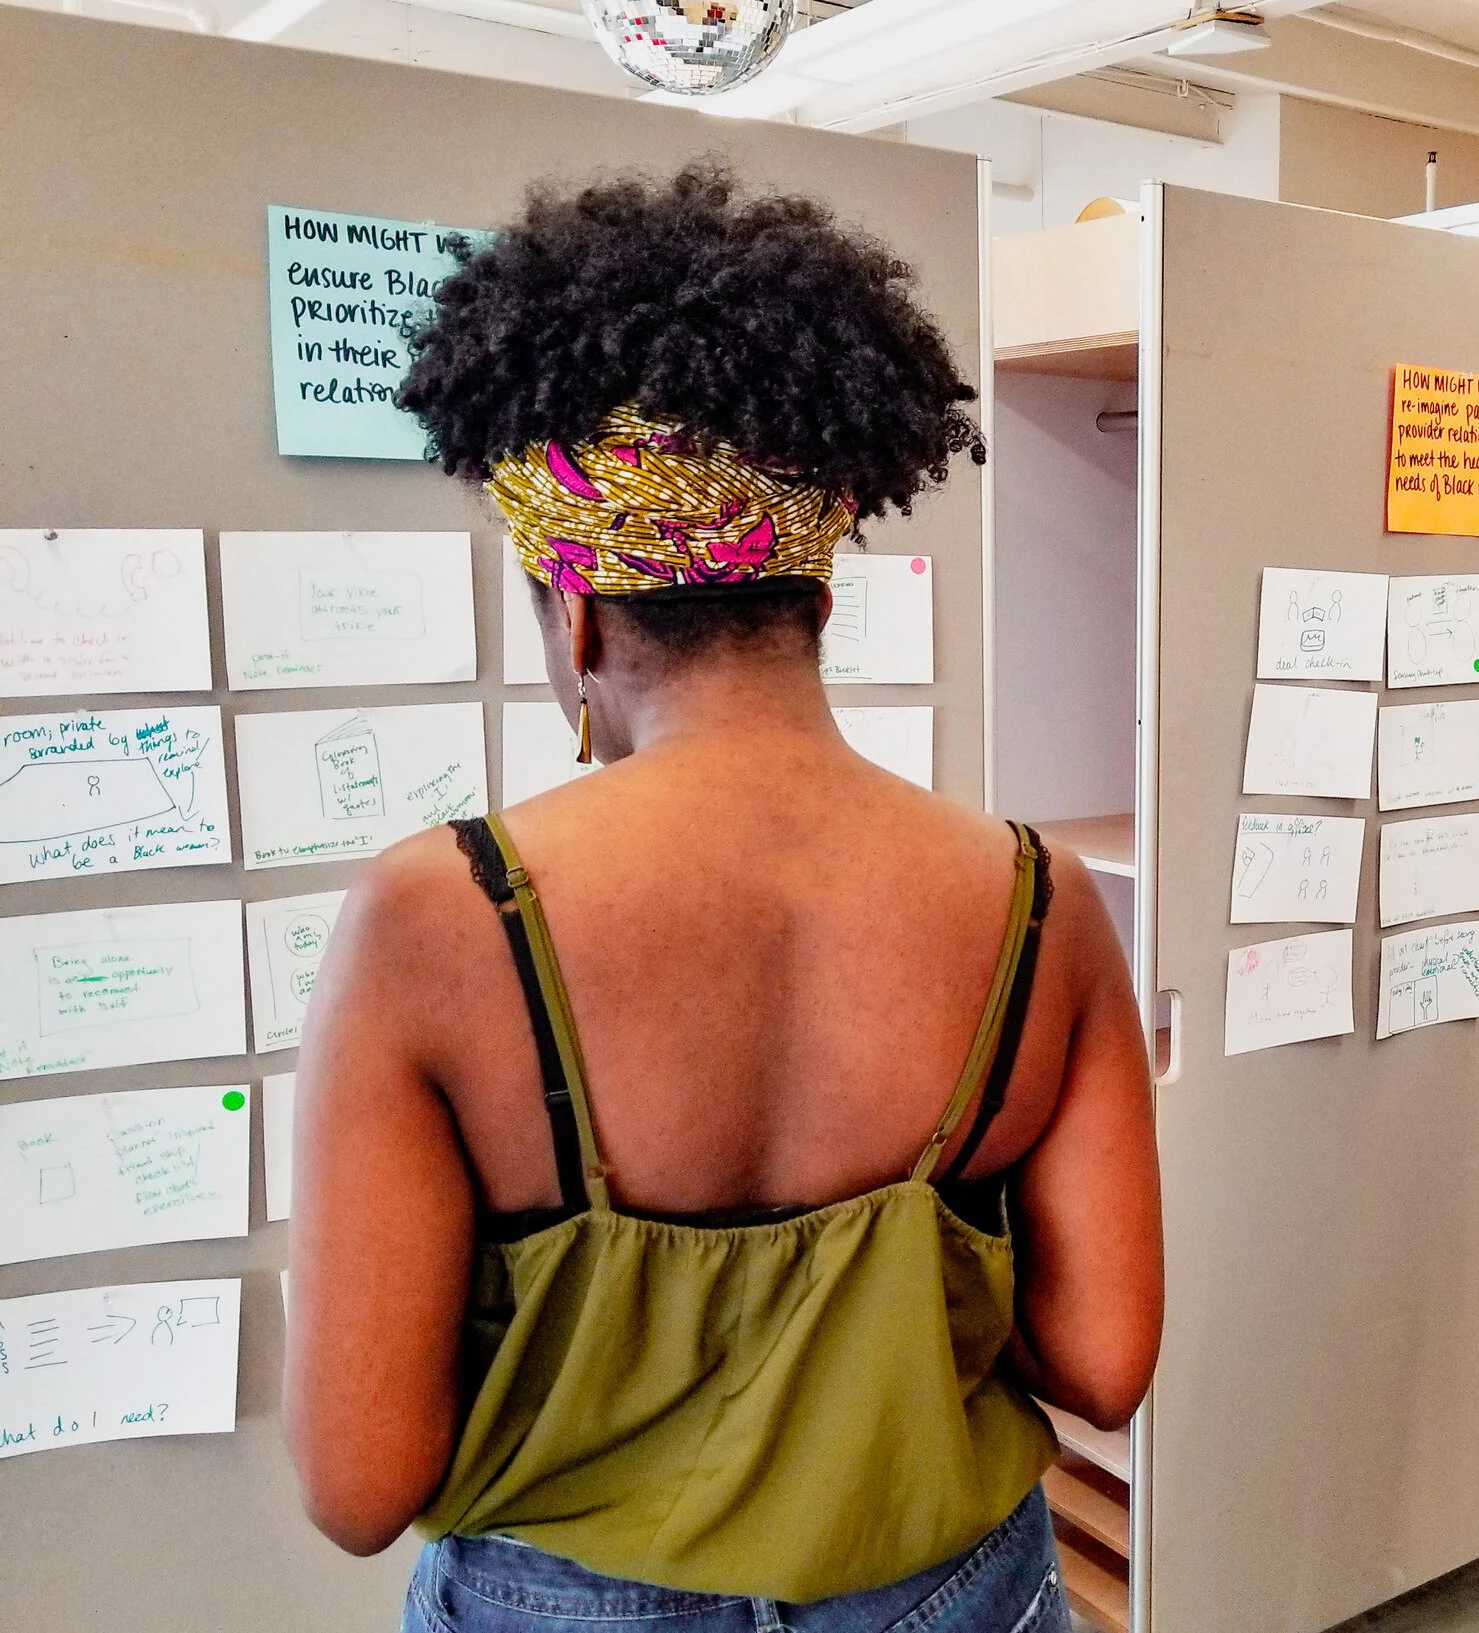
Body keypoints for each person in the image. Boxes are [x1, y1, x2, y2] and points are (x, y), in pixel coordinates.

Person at [282, 164, 1164, 1633]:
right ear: (819, 597)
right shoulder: (1034, 896)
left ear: (577, 613)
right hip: (951, 1589)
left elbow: (360, 1483)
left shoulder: (438, 917)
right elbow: (1103, 1358)